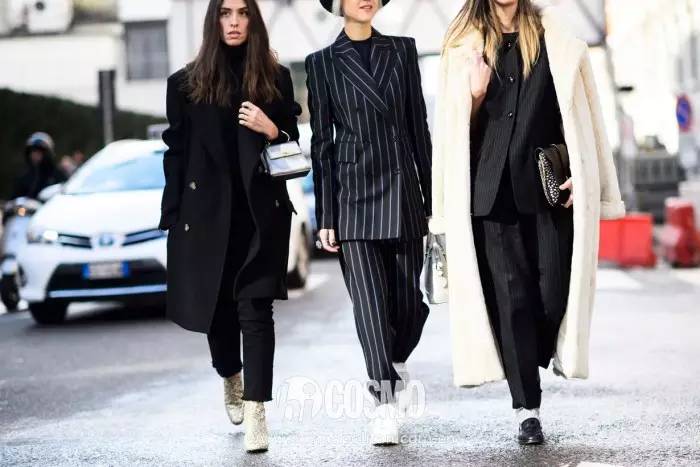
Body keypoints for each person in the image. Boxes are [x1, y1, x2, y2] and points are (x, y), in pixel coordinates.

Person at [430, 0, 626, 445]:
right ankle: (527, 409)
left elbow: (582, 120)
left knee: (553, 293)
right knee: (512, 302)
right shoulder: (463, 46)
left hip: (547, 192)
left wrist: (581, 170)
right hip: (489, 195)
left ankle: (530, 355)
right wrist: (475, 96)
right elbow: (452, 134)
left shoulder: (557, 39)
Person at [158, 0, 300, 453]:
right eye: (225, 13)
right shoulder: (185, 85)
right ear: (213, 21)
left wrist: (270, 128)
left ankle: (257, 410)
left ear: (253, 21)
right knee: (218, 314)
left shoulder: (275, 78)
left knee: (256, 312)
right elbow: (176, 153)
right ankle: (230, 373)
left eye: (242, 13)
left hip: (259, 216)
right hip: (205, 219)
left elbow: (292, 144)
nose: (234, 21)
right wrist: (172, 215)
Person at [306, 0, 432, 446]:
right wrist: (327, 215)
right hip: (353, 199)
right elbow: (322, 145)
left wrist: (432, 200)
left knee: (409, 303)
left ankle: (396, 360)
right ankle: (384, 403)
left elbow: (418, 128)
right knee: (369, 306)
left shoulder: (403, 50)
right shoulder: (322, 63)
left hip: (402, 193)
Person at [12, 132, 66, 199]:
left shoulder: (56, 175)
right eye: (32, 151)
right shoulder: (24, 177)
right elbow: (15, 199)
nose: (35, 155)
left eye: (39, 152)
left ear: (47, 154)